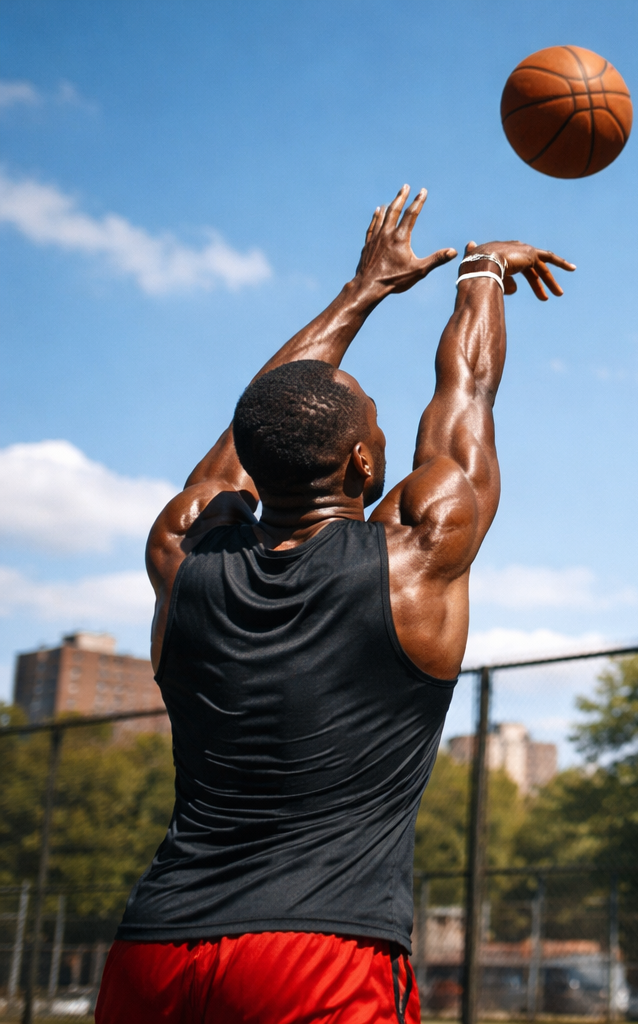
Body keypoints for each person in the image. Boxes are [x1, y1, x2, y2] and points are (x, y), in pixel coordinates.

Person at [94, 186, 574, 1024]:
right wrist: (483, 273)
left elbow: (251, 432)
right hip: (318, 955)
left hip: (156, 950)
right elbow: (467, 399)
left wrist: (365, 289)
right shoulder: (417, 560)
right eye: (377, 428)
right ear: (361, 464)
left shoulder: (181, 551)